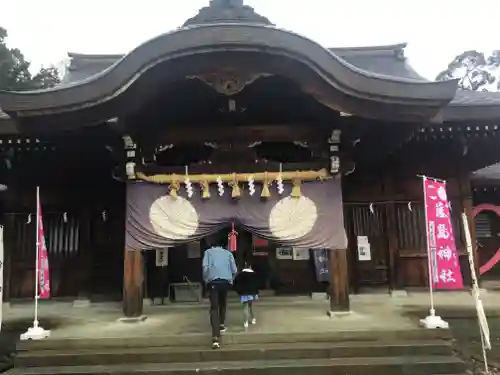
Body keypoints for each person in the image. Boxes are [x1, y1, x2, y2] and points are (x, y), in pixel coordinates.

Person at [202, 239, 237, 349]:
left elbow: (205, 268)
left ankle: (215, 337)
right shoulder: (228, 253)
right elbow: (234, 270)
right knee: (223, 303)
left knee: (214, 308)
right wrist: (231, 279)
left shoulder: (208, 252)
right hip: (225, 282)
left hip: (213, 282)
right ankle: (222, 324)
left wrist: (206, 279)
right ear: (224, 245)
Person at [233, 263, 259, 329]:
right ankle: (252, 318)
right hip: (252, 293)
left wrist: (239, 292)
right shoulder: (254, 275)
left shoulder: (239, 275)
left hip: (243, 293)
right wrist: (256, 292)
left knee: (245, 307)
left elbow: (236, 285)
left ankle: (246, 321)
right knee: (250, 306)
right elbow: (257, 285)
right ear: (250, 267)